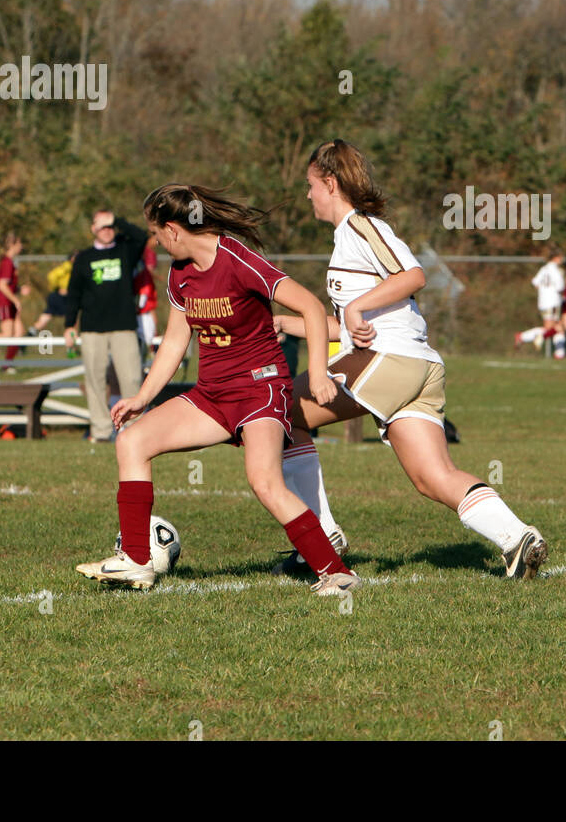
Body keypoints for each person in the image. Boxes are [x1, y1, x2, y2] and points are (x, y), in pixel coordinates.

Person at [275, 139, 548, 580]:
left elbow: (413, 274)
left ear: (330, 183)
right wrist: (288, 324)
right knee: (434, 477)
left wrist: (358, 308)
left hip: (391, 361)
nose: (307, 195)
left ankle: (318, 540)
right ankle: (517, 538)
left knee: (278, 414)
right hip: (415, 369)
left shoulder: (361, 226)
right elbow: (350, 322)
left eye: (310, 185)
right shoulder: (348, 236)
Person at [76, 184, 358, 595]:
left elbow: (311, 308)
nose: (155, 242)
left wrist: (316, 374)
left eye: (156, 234)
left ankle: (335, 572)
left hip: (260, 390)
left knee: (264, 481)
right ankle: (137, 561)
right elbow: (175, 341)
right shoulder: (180, 273)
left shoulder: (238, 259)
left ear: (173, 230)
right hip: (212, 396)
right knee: (131, 442)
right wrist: (142, 397)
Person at [63, 211, 146, 442]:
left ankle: (134, 430)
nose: (107, 231)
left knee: (131, 379)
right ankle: (100, 432)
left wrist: (116, 220)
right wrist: (69, 325)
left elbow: (141, 236)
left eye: (110, 227)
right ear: (93, 230)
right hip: (92, 328)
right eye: (102, 227)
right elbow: (74, 294)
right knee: (95, 381)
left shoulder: (124, 250)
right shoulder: (84, 258)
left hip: (123, 326)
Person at [515, 247, 566, 358]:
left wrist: (544, 291)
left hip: (543, 301)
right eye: (561, 257)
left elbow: (535, 283)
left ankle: (560, 354)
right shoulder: (556, 270)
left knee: (558, 326)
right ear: (557, 258)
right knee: (553, 328)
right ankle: (522, 336)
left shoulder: (544, 269)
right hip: (553, 302)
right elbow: (560, 287)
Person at [0, 232, 31, 366]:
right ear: (12, 244)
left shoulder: (11, 263)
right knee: (7, 335)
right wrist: (15, 299)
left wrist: (20, 289)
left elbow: (9, 285)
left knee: (19, 333)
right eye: (19, 243)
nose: (21, 246)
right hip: (4, 302)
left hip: (10, 302)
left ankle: (6, 365)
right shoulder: (7, 262)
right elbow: (2, 286)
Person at [30, 251, 76, 335]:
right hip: (61, 297)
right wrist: (56, 287)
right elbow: (52, 277)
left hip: (67, 297)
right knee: (70, 320)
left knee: (71, 320)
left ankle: (30, 334)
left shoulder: (73, 268)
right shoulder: (67, 267)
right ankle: (28, 336)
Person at [133, 239, 159, 369]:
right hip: (140, 312)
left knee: (148, 342)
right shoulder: (142, 257)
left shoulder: (145, 274)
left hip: (144, 310)